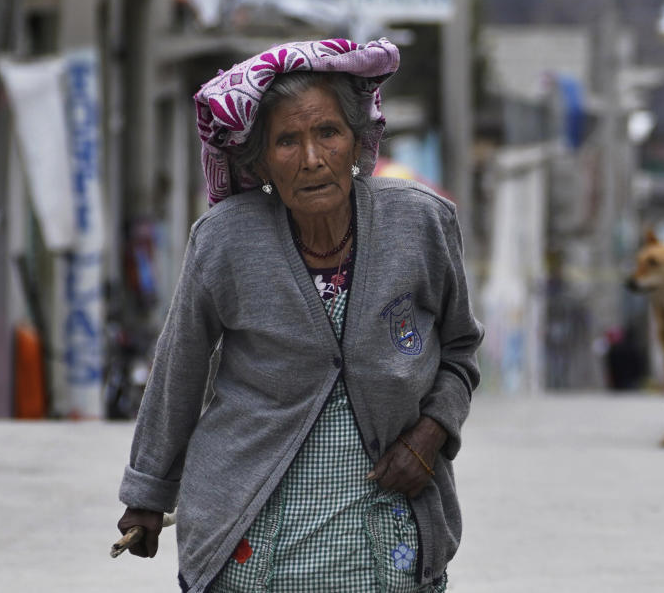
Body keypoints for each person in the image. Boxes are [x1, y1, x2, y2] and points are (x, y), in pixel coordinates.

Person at [116, 38, 483, 593]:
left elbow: (459, 350)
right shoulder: (225, 240)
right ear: (260, 160)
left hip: (385, 542)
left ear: (357, 141)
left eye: (328, 133)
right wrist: (147, 493)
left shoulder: (421, 223)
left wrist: (430, 434)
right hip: (249, 539)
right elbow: (179, 369)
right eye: (287, 140)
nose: (311, 159)